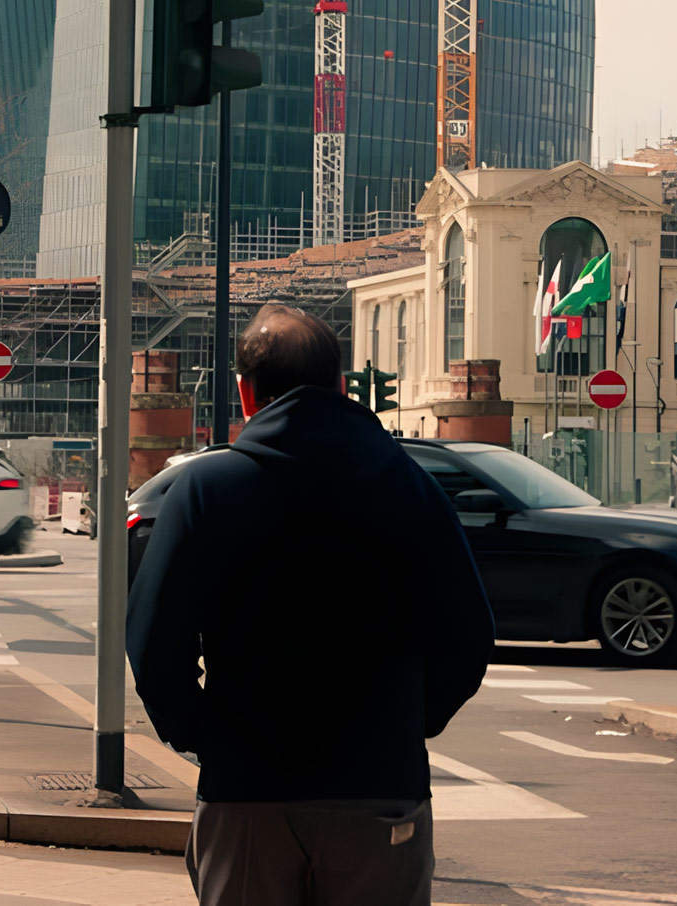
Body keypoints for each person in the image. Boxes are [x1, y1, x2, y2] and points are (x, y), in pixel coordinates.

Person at [127, 304, 494, 906]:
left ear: (247, 395)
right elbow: (470, 635)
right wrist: (405, 722)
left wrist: (209, 737)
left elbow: (152, 642)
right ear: (343, 388)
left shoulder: (205, 489)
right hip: (381, 783)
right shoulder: (411, 486)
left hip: (247, 786)